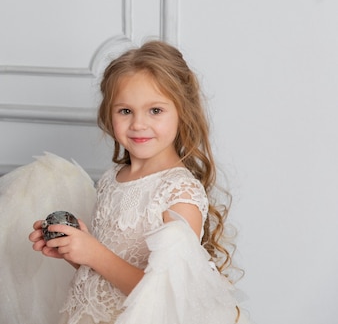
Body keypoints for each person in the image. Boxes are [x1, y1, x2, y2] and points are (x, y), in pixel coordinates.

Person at [29, 40, 250, 324]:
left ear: (183, 112)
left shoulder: (180, 193)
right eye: (125, 111)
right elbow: (106, 280)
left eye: (155, 110)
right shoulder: (113, 179)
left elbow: (166, 297)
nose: (138, 124)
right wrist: (76, 250)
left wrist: (94, 254)